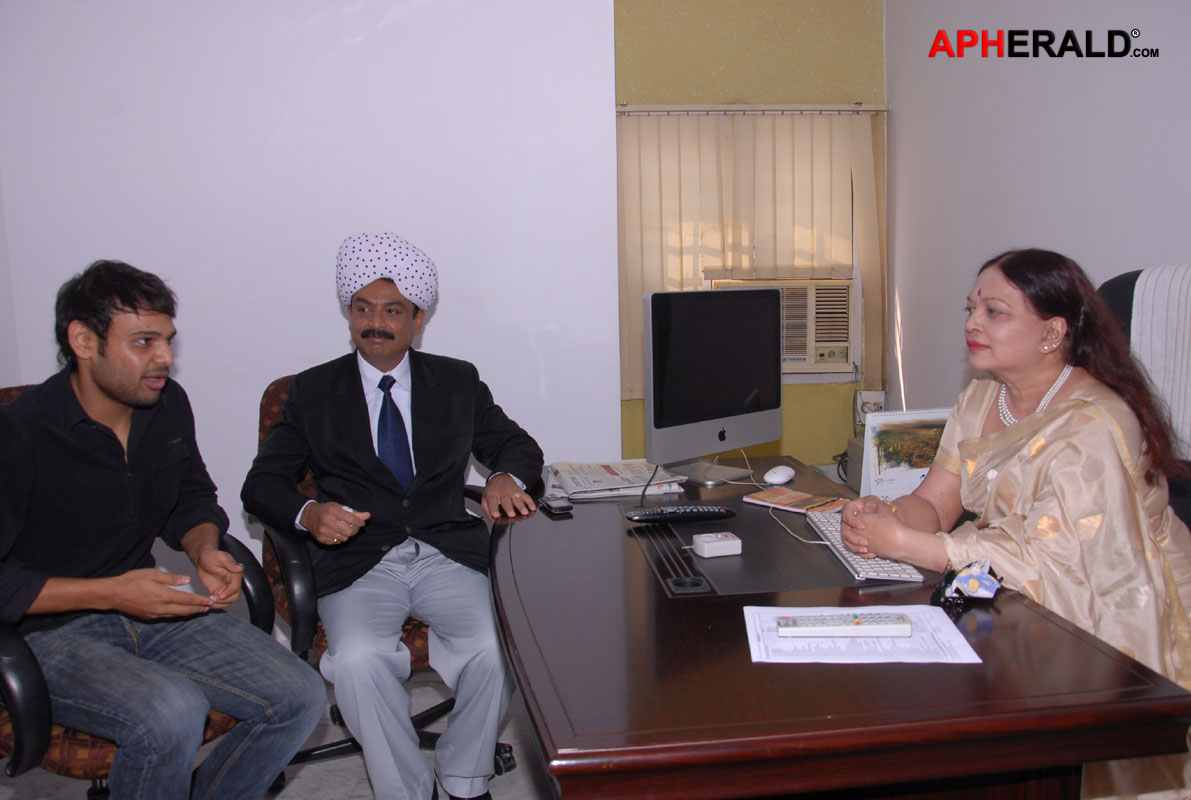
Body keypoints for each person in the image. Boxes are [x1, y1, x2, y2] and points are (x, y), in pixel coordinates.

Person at [841, 248, 1191, 798]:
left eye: (995, 312)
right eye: (971, 308)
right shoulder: (983, 398)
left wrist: (911, 544)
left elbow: (1058, 565)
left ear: (1052, 333)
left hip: (1114, 616)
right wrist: (883, 515)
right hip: (1019, 594)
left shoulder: (1096, 423)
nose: (972, 323)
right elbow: (936, 502)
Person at [0, 260, 326, 799]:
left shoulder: (164, 404)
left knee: (301, 693)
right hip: (49, 633)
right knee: (172, 713)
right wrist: (110, 593)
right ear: (83, 341)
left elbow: (192, 497)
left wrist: (203, 549)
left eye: (168, 340)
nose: (166, 359)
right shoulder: (20, 434)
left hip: (150, 606)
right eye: (145, 342)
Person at [241, 232, 543, 800]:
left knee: (498, 648)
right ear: (348, 313)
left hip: (445, 551)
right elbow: (261, 483)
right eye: (362, 309)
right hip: (356, 560)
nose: (375, 323)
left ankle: (463, 773)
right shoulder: (310, 391)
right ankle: (403, 789)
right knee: (356, 662)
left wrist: (506, 476)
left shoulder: (456, 380)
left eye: (392, 310)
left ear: (418, 319)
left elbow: (518, 446)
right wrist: (308, 513)